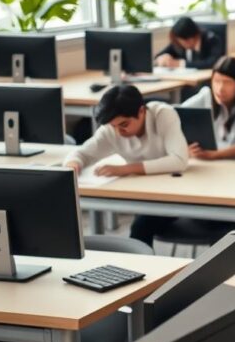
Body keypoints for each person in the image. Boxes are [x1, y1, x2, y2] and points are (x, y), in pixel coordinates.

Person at [63, 85, 190, 245]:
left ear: (141, 111)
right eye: (113, 126)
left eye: (124, 124)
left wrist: (126, 169)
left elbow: (179, 160)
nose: (118, 132)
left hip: (174, 192)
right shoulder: (112, 128)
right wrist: (74, 165)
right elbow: (81, 153)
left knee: (140, 227)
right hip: (143, 195)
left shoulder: (163, 114)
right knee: (141, 226)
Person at [180, 56, 235, 161]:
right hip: (211, 166)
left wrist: (213, 155)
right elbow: (176, 113)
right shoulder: (207, 95)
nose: (220, 89)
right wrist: (186, 149)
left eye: (227, 82)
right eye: (216, 81)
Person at [154, 16, 225, 69]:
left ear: (193, 37)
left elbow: (212, 63)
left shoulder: (212, 40)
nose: (182, 45)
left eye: (184, 42)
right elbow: (160, 55)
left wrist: (179, 63)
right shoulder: (179, 43)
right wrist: (162, 58)